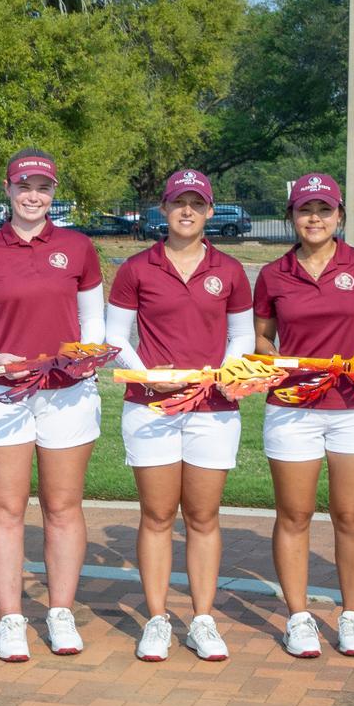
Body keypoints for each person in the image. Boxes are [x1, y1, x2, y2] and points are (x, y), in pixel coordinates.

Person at [0, 149, 105, 662]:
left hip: (67, 392)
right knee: (5, 508)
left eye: (42, 187)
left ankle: (60, 612)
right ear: (8, 188)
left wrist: (85, 353)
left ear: (53, 192)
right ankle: (11, 619)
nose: (33, 196)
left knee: (62, 507)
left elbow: (94, 319)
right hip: (2, 393)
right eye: (24, 186)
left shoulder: (78, 247)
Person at [105, 168, 253, 663]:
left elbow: (242, 335)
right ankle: (157, 619)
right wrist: (149, 376)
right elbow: (115, 336)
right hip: (151, 405)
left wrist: (228, 371)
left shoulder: (229, 270)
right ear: (164, 209)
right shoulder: (136, 269)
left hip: (213, 407)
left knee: (203, 516)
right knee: (157, 515)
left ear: (209, 210)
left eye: (196, 203)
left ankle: (203, 619)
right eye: (177, 202)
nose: (186, 211)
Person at [253, 173, 354, 659]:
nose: (315, 218)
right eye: (305, 209)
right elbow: (262, 336)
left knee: (351, 514)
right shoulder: (274, 274)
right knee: (294, 514)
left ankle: (351, 615)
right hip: (293, 407)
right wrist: (270, 360)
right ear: (292, 215)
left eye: (324, 210)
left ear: (340, 216)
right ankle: (299, 617)